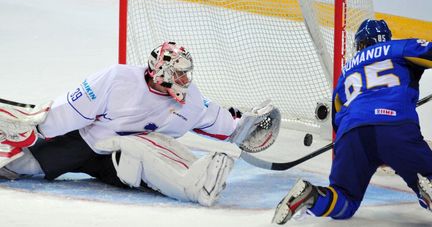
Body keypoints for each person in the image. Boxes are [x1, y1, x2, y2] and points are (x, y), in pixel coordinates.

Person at [0, 41, 280, 206]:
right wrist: (35, 131)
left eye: (186, 74)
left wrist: (243, 128)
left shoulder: (190, 100)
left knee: (149, 152)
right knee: (19, 167)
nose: (186, 81)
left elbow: (218, 121)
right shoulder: (117, 79)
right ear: (162, 71)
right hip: (81, 140)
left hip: (120, 156)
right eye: (179, 74)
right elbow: (70, 111)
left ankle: (198, 185)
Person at [272, 19, 432, 224]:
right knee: (426, 174)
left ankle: (312, 196)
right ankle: (427, 185)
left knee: (345, 198)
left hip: (350, 135)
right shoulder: (398, 47)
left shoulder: (347, 71)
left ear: (361, 43)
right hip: (394, 127)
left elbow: (338, 119)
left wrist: (368, 151)